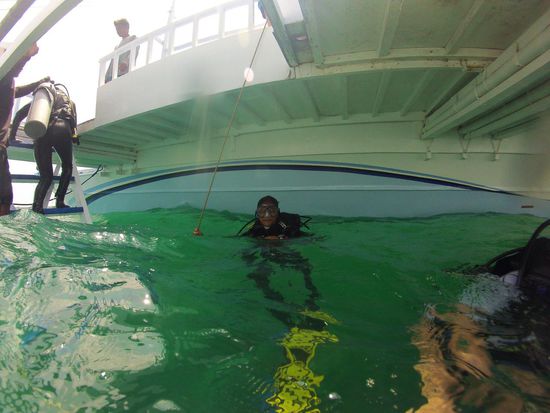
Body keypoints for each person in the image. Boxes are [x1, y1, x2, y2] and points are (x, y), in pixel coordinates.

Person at [0, 43, 47, 216]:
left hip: (2, 148)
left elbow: (17, 91)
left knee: (5, 197)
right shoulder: (4, 77)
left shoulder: (8, 84)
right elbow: (9, 70)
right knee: (4, 198)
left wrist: (38, 83)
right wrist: (26, 55)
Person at [23, 82, 78, 213]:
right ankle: (60, 201)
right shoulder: (71, 102)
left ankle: (37, 206)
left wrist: (13, 135)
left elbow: (20, 114)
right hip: (63, 128)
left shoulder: (44, 98)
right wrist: (74, 137)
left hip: (44, 131)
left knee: (45, 175)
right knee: (67, 166)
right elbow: (74, 127)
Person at [239, 195, 309, 239]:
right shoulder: (255, 227)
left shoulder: (286, 224)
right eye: (262, 211)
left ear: (278, 212)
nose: (267, 215)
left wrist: (281, 239)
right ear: (257, 213)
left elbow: (306, 237)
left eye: (272, 211)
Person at [104, 18, 137, 83]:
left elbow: (135, 51)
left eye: (119, 28)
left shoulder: (133, 38)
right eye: (117, 29)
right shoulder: (117, 47)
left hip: (123, 73)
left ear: (126, 27)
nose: (117, 31)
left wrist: (126, 63)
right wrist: (106, 76)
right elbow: (111, 63)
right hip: (112, 75)